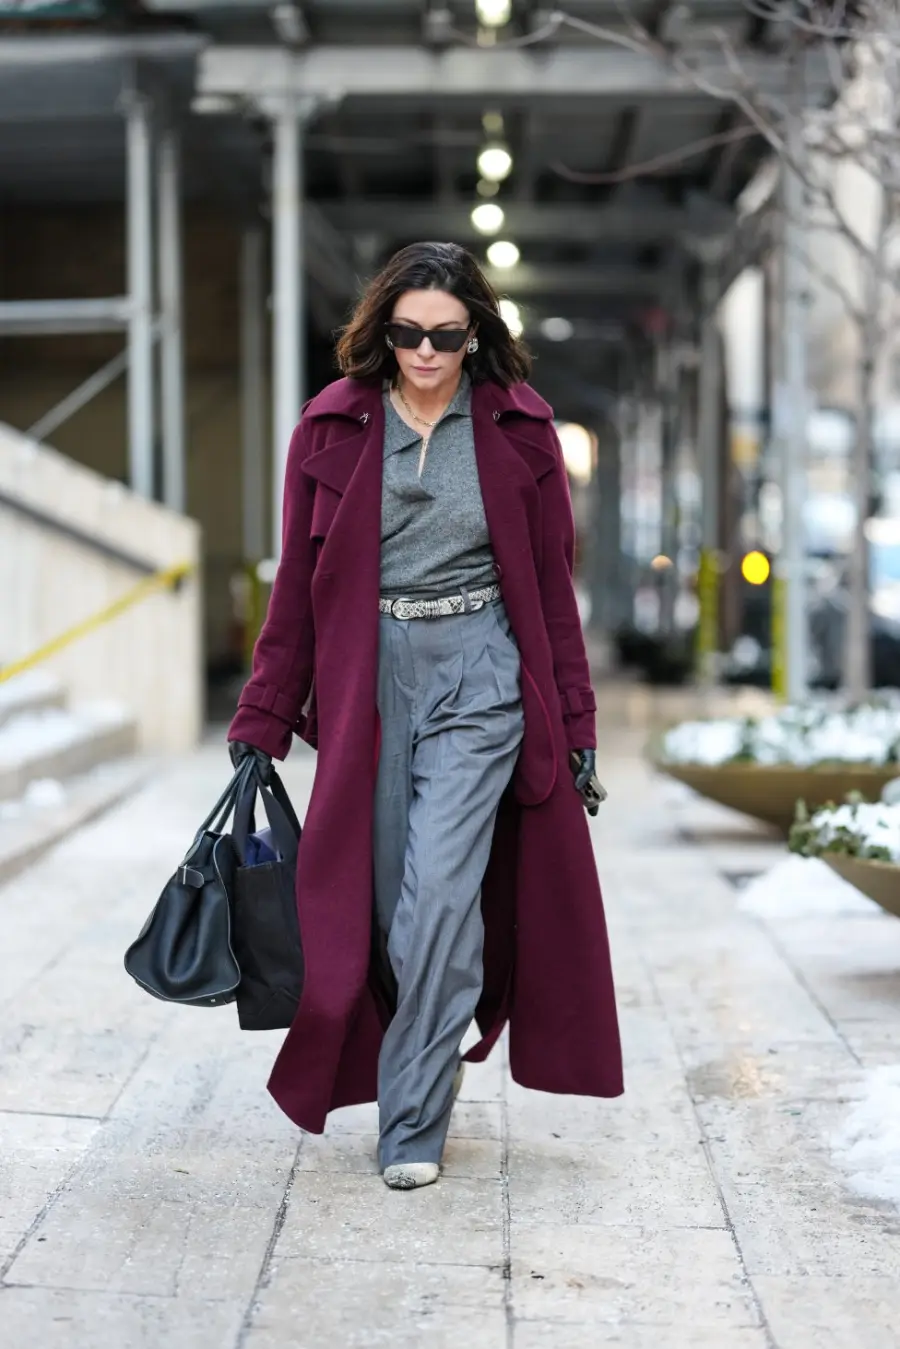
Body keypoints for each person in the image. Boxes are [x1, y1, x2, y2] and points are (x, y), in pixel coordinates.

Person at [228, 241, 623, 1191]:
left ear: (476, 333)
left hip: (480, 672)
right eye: (408, 334)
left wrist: (575, 724)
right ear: (384, 331)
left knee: (438, 894)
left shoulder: (522, 429)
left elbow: (552, 593)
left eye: (447, 336)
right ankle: (431, 1045)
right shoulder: (330, 427)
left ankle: (411, 1120)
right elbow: (298, 588)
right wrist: (263, 717)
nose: (426, 353)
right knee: (383, 911)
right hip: (368, 677)